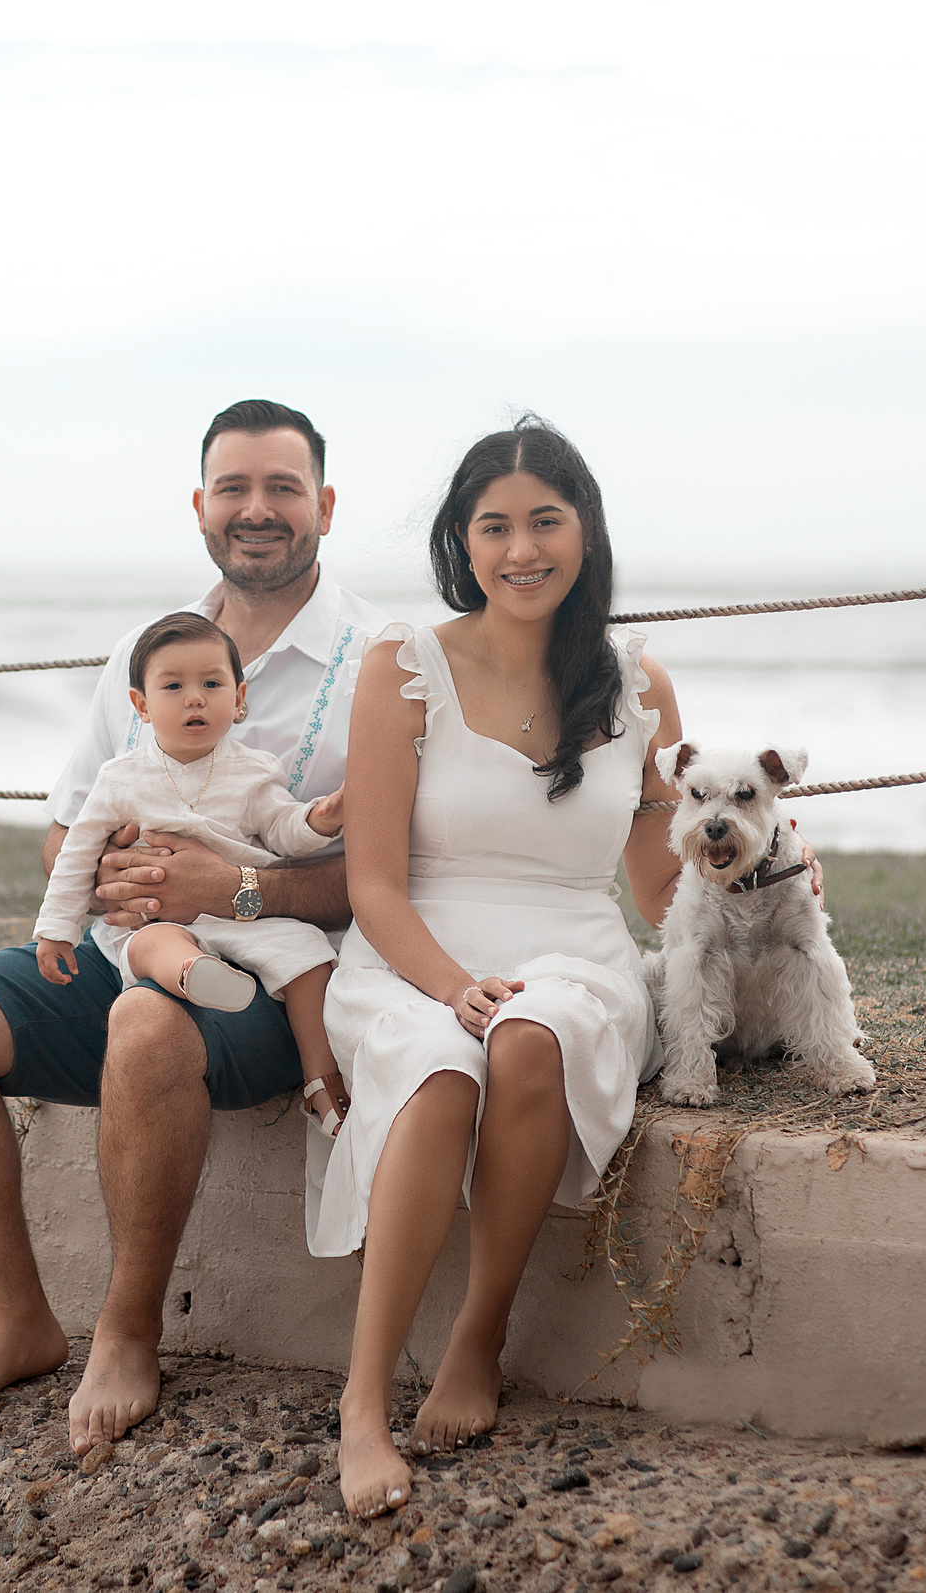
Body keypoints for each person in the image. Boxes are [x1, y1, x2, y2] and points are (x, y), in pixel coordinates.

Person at [0, 399, 389, 1452]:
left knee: (152, 1024)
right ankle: (16, 1321)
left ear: (326, 507)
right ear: (200, 505)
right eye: (234, 488)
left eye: (283, 487)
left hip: (263, 981)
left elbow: (390, 877)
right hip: (124, 948)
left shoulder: (380, 658)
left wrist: (229, 889)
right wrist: (119, 873)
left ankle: (125, 1327)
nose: (258, 510)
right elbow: (64, 829)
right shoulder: (147, 650)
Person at [317, 416, 693, 1518]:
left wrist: (764, 876)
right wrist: (447, 985)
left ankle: (478, 1339)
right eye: (495, 527)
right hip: (411, 950)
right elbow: (372, 883)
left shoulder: (638, 683)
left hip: (574, 949)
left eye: (545, 521)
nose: (521, 549)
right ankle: (361, 1403)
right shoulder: (404, 666)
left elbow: (660, 884)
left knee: (532, 1037)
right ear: (461, 542)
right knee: (441, 1071)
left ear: (585, 534)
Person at [33, 611, 349, 1135]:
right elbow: (76, 855)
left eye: (211, 683)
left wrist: (319, 819)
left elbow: (282, 830)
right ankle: (193, 976)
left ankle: (322, 1080)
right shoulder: (120, 778)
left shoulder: (252, 770)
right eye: (173, 686)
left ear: (239, 697)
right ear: (141, 705)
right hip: (156, 923)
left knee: (312, 957)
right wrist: (55, 929)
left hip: (242, 915)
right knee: (159, 942)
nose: (194, 698)